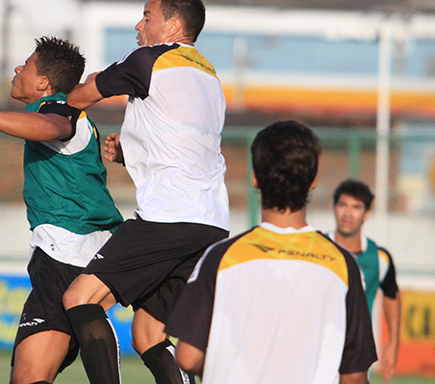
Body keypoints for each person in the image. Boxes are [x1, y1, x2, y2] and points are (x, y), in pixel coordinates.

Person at [61, 0, 230, 384]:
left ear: (173, 26)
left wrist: (59, 97)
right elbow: (184, 143)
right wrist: (129, 152)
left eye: (147, 16)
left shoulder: (150, 59)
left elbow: (80, 98)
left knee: (79, 298)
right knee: (149, 333)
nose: (139, 26)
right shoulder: (210, 77)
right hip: (211, 223)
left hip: (168, 216)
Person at [0, 36, 123, 384]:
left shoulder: (58, 110)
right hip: (66, 252)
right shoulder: (54, 109)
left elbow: (52, 128)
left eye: (26, 65)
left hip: (68, 252)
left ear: (43, 83)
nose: (17, 69)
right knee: (28, 377)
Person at [166, 120, 378, 384]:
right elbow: (354, 377)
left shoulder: (220, 257)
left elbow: (187, 356)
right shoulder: (343, 264)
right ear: (312, 182)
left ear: (255, 177)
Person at [328, 179, 401, 382]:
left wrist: (393, 342)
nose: (348, 213)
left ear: (367, 214)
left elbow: (392, 295)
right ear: (334, 208)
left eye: (356, 207)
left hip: (356, 356)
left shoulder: (380, 258)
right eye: (343, 205)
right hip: (320, 351)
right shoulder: (317, 250)